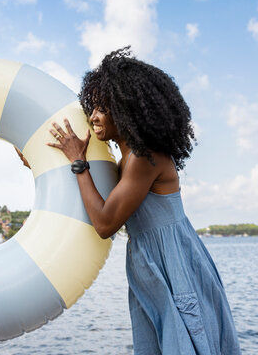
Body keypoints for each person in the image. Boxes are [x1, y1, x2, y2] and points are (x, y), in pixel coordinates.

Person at [46, 47, 241, 355]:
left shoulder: (142, 157)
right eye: (91, 107)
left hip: (172, 261)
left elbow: (105, 222)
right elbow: (90, 195)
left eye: (102, 108)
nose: (94, 116)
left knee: (186, 339)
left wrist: (78, 162)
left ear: (126, 110)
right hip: (152, 260)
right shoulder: (125, 162)